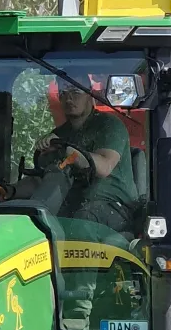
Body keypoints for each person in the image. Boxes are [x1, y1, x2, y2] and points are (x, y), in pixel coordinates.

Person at [35, 80, 138, 232]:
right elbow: (43, 179)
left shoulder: (109, 126)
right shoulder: (60, 134)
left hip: (114, 208)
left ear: (90, 94)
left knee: (83, 221)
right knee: (34, 221)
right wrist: (10, 191)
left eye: (75, 93)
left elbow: (104, 167)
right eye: (63, 93)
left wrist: (65, 148)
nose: (69, 99)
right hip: (74, 205)